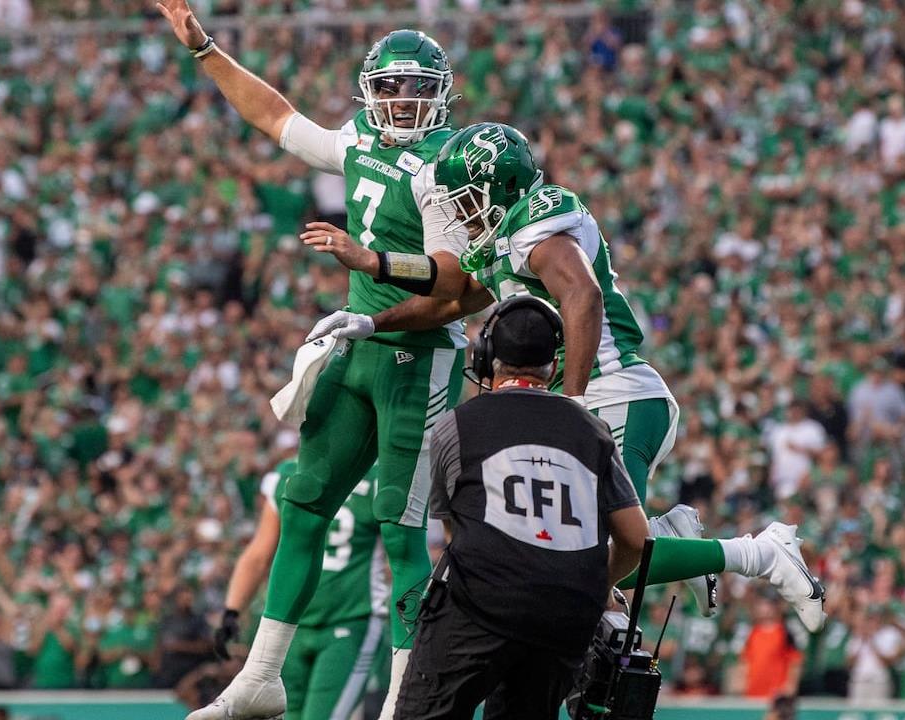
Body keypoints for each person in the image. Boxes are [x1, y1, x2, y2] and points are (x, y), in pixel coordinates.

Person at [304, 123, 827, 629]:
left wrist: (571, 404)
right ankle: (676, 541)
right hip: (601, 397)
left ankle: (760, 552)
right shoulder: (502, 239)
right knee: (583, 573)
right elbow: (450, 298)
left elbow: (583, 294)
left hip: (611, 392)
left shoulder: (539, 220)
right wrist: (374, 317)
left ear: (499, 189)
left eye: (464, 199)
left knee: (587, 558)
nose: (456, 212)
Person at [157, 2, 468, 717]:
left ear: (441, 91)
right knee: (300, 504)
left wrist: (369, 260)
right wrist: (206, 49)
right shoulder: (360, 137)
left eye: (415, 85)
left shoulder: (450, 164)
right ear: (369, 91)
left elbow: (457, 286)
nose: (401, 99)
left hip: (417, 357)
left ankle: (403, 699)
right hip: (360, 343)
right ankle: (261, 677)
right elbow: (276, 118)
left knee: (401, 524)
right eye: (389, 86)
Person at [393, 295, 650, 719]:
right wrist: (599, 583)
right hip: (566, 614)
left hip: (481, 603)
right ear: (555, 363)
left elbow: (456, 531)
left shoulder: (456, 424)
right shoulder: (595, 431)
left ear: (487, 357)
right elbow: (637, 539)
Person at [212, 459, 386, 720]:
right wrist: (232, 609)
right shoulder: (290, 473)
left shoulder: (376, 478)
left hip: (350, 618)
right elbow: (260, 553)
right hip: (293, 626)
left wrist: (233, 610)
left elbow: (258, 555)